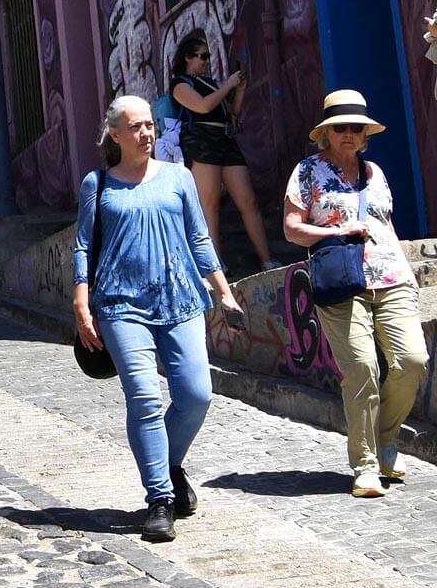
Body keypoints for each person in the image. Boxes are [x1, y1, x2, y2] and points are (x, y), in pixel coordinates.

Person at [74, 96, 244, 542]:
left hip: (180, 297)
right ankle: (160, 498)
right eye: (136, 127)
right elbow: (83, 248)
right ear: (115, 134)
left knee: (196, 393)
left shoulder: (178, 177)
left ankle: (167, 464)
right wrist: (80, 303)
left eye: (150, 125)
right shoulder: (99, 184)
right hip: (120, 304)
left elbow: (198, 237)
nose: (146, 133)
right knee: (145, 399)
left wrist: (223, 292)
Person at [283, 89, 426, 497]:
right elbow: (292, 229)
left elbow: (385, 225)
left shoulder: (374, 172)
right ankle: (365, 464)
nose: (349, 133)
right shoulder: (308, 172)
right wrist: (335, 231)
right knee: (362, 368)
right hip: (341, 280)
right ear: (326, 133)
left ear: (365, 134)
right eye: (340, 127)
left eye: (356, 127)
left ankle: (385, 437)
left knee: (412, 360)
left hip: (391, 277)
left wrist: (407, 270)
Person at [170, 32, 280, 272]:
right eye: (202, 56)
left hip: (225, 138)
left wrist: (238, 91)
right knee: (210, 204)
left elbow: (231, 115)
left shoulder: (210, 83)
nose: (206, 61)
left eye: (208, 56)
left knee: (248, 199)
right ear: (187, 57)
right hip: (200, 140)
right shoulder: (180, 84)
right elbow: (202, 106)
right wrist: (228, 85)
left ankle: (267, 259)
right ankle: (215, 264)